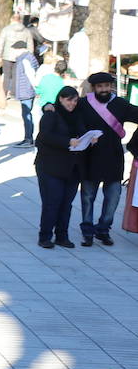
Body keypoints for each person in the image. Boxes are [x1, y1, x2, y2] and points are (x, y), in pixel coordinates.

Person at [74, 71, 138, 246]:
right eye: (100, 86)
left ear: (111, 87)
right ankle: (87, 231)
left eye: (107, 86)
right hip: (90, 158)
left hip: (113, 157)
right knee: (87, 196)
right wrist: (47, 106)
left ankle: (103, 229)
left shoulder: (120, 104)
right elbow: (66, 111)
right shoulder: (84, 103)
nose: (104, 89)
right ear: (94, 88)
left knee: (113, 197)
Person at [34, 86, 90, 249]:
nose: (72, 103)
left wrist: (89, 138)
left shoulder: (77, 115)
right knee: (52, 202)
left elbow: (81, 132)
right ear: (60, 99)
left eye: (74, 100)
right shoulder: (51, 115)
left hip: (72, 168)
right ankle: (45, 236)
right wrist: (67, 141)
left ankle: (62, 236)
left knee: (66, 204)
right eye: (68, 100)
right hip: (50, 166)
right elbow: (43, 138)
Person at [11, 40, 41, 146]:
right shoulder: (27, 58)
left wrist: (36, 90)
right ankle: (28, 138)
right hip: (27, 90)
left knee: (27, 115)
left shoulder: (25, 60)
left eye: (14, 50)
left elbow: (31, 76)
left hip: (27, 91)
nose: (13, 52)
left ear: (20, 49)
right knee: (26, 114)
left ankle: (28, 139)